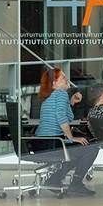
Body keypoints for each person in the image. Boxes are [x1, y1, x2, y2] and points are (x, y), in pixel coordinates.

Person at [30, 68, 95, 196]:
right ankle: (75, 183)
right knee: (91, 148)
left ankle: (54, 180)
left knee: (80, 150)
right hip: (52, 142)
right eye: (64, 78)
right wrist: (71, 138)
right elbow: (61, 117)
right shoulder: (60, 94)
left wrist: (71, 102)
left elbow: (66, 116)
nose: (67, 80)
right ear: (54, 83)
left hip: (42, 143)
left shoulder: (51, 96)